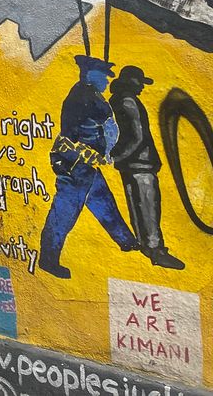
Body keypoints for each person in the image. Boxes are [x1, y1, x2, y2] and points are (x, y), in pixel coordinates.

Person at [39, 55, 138, 279]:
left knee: (102, 201)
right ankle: (48, 259)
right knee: (65, 211)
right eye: (104, 76)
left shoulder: (87, 94)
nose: (107, 81)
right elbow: (107, 127)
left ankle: (126, 241)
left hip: (83, 162)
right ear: (90, 75)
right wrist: (108, 152)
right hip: (76, 163)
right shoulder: (86, 96)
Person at [108, 66, 184, 270]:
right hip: (141, 163)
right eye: (139, 82)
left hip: (128, 164)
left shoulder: (116, 100)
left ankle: (146, 247)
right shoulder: (128, 101)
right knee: (148, 207)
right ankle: (156, 251)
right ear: (130, 81)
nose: (142, 87)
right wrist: (119, 155)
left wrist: (118, 156)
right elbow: (138, 136)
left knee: (136, 206)